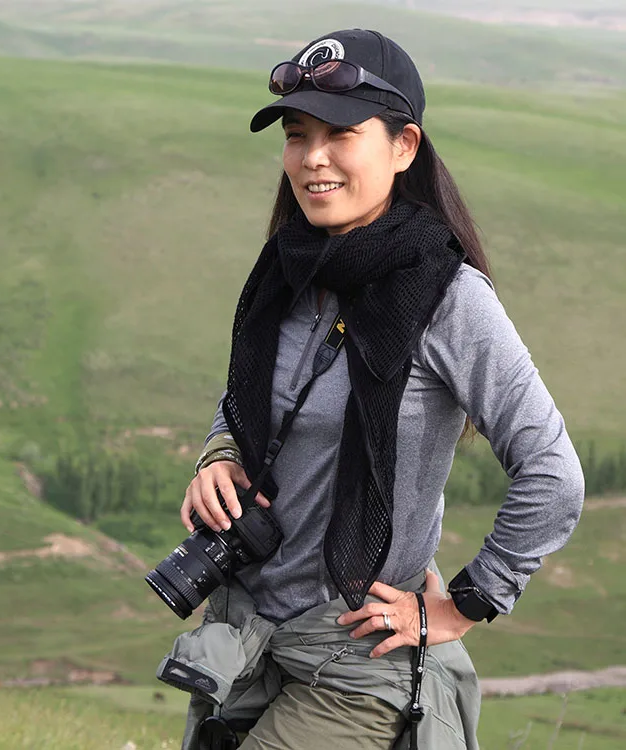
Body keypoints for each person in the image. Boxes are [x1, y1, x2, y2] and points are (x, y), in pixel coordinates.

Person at [175, 28, 585, 750]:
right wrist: (220, 453)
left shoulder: (449, 298)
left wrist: (463, 604)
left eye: (341, 134)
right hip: (246, 638)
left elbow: (553, 475)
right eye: (297, 136)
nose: (313, 158)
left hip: (354, 662)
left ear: (404, 147)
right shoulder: (288, 270)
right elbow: (252, 399)